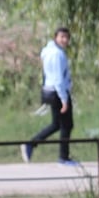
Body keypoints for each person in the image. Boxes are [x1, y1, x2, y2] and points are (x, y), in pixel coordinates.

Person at [21, 27, 76, 166]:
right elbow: (58, 78)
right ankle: (63, 157)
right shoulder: (57, 54)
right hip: (57, 92)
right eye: (62, 37)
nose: (65, 40)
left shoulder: (48, 51)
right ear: (55, 37)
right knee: (66, 125)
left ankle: (31, 144)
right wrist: (64, 99)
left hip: (50, 91)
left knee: (57, 124)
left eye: (67, 37)